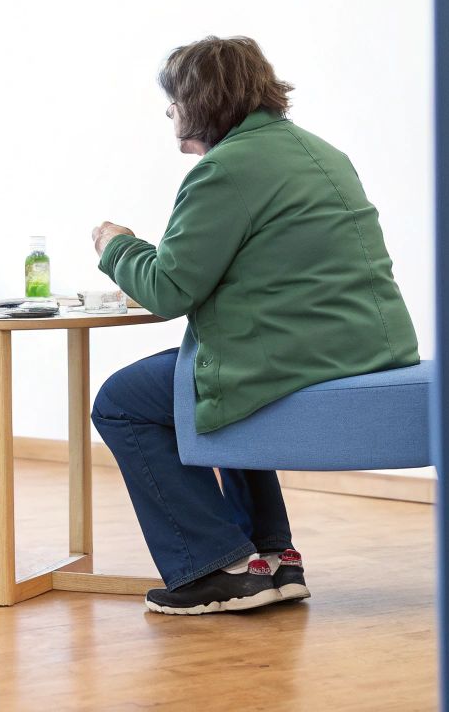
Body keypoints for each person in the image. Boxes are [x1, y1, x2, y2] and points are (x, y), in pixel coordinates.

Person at [89, 36, 419, 614]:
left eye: (173, 105)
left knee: (122, 400)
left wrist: (117, 246)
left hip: (295, 360)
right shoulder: (317, 150)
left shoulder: (227, 169)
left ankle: (219, 566)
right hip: (363, 346)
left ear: (198, 100)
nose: (171, 118)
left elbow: (169, 289)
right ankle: (272, 556)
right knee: (208, 380)